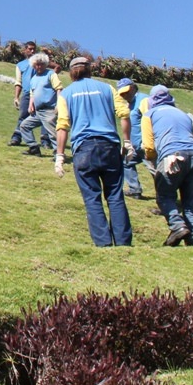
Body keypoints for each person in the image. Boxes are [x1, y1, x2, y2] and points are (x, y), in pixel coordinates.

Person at [54, 57, 134, 247]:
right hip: (109, 146)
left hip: (83, 149)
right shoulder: (107, 88)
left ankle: (103, 244)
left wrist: (59, 156)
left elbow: (62, 125)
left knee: (92, 198)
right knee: (115, 195)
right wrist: (128, 142)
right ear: (90, 70)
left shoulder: (66, 94)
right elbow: (124, 114)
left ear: (71, 72)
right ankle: (123, 244)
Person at [141, 85, 193, 246]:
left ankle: (177, 226)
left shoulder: (150, 114)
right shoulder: (184, 115)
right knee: (191, 198)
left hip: (171, 156)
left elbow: (148, 147)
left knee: (165, 195)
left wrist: (152, 160)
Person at [20, 53, 63, 156]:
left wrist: (59, 104)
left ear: (46, 64)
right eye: (36, 64)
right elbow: (32, 93)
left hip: (49, 110)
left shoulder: (51, 74)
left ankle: (59, 153)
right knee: (24, 126)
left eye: (41, 64)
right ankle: (34, 148)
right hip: (38, 111)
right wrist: (31, 105)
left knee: (52, 133)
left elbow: (59, 88)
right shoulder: (34, 78)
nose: (39, 66)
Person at [117, 78, 153, 200]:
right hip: (134, 145)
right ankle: (135, 189)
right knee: (126, 163)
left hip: (146, 145)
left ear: (132, 88)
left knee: (156, 171)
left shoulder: (144, 100)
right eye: (121, 93)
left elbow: (151, 120)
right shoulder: (130, 104)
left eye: (126, 92)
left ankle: (165, 197)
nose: (124, 95)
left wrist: (148, 142)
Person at [9, 41, 37, 146]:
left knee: (45, 116)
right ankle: (16, 137)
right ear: (25, 50)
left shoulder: (39, 62)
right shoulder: (20, 65)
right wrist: (16, 97)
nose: (32, 51)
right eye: (30, 49)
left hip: (40, 94)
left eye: (34, 49)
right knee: (23, 116)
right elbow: (18, 82)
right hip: (26, 94)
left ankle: (46, 141)